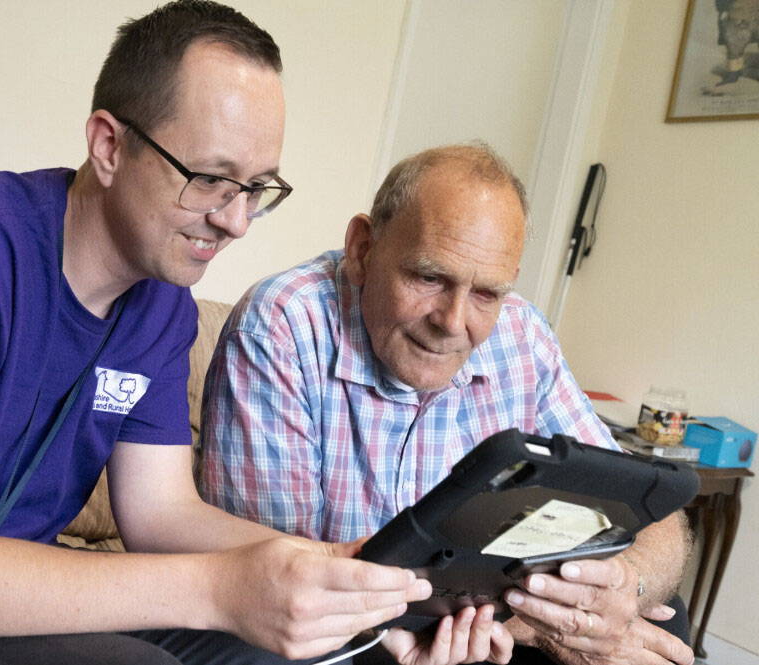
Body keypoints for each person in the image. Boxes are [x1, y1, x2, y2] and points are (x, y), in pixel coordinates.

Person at [0, 3, 477, 664]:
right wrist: (222, 588)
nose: (233, 219)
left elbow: (160, 514)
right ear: (108, 145)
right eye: (210, 178)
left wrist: (345, 570)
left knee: (280, 655)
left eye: (257, 188)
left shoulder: (162, 299)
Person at [200, 144, 696, 665]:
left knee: (662, 616)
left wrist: (623, 593)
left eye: (486, 293)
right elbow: (284, 580)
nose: (453, 321)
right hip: (352, 627)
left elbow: (651, 510)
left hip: (485, 608)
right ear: (363, 249)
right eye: (429, 278)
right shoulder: (282, 327)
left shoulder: (523, 333)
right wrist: (544, 623)